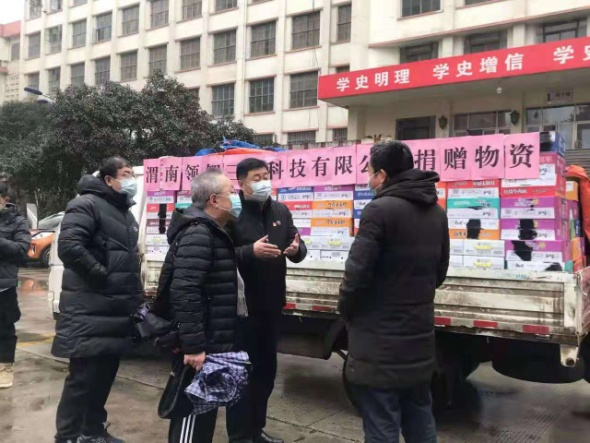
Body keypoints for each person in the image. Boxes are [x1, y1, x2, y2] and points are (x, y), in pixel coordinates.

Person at [338, 141, 449, 443]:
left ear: (383, 175)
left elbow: (355, 275)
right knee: (420, 415)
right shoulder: (437, 212)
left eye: (370, 172)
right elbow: (439, 272)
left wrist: (347, 311)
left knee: (381, 421)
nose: (369, 179)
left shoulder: (379, 210)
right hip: (419, 337)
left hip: (378, 342)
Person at [53, 157, 143, 443]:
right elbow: (69, 247)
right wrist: (104, 276)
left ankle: (91, 432)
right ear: (108, 180)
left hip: (114, 310)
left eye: (132, 174)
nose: (131, 180)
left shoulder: (124, 213)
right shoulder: (86, 204)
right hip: (88, 309)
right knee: (82, 380)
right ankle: (67, 437)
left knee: (103, 378)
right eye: (126, 174)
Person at [160, 169, 251, 443]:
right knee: (191, 415)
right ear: (214, 200)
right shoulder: (199, 233)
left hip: (212, 341)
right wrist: (193, 346)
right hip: (200, 345)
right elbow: (185, 292)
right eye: (231, 193)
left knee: (204, 414)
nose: (236, 197)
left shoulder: (216, 231)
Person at [228, 158, 307, 443]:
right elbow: (219, 254)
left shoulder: (280, 210)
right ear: (242, 183)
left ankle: (255, 430)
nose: (264, 182)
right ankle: (239, 436)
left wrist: (297, 249)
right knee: (241, 374)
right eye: (257, 178)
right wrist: (249, 251)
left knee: (266, 372)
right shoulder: (231, 211)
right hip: (241, 309)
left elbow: (296, 243)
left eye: (266, 176)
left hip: (272, 305)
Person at [0, 183, 31, 389]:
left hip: (3, 285)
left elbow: (22, 249)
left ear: (4, 199)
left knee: (4, 328)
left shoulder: (18, 221)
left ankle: (4, 367)